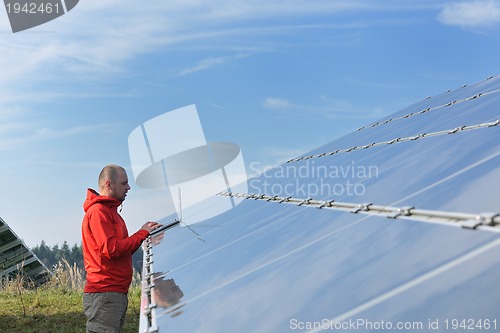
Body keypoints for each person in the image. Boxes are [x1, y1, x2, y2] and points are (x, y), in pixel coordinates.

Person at [81, 164, 161, 333]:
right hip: (104, 294)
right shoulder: (98, 212)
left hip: (113, 293)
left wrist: (144, 234)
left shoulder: (111, 213)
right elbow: (111, 249)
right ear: (109, 184)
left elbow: (120, 250)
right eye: (124, 183)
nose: (128, 187)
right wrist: (141, 234)